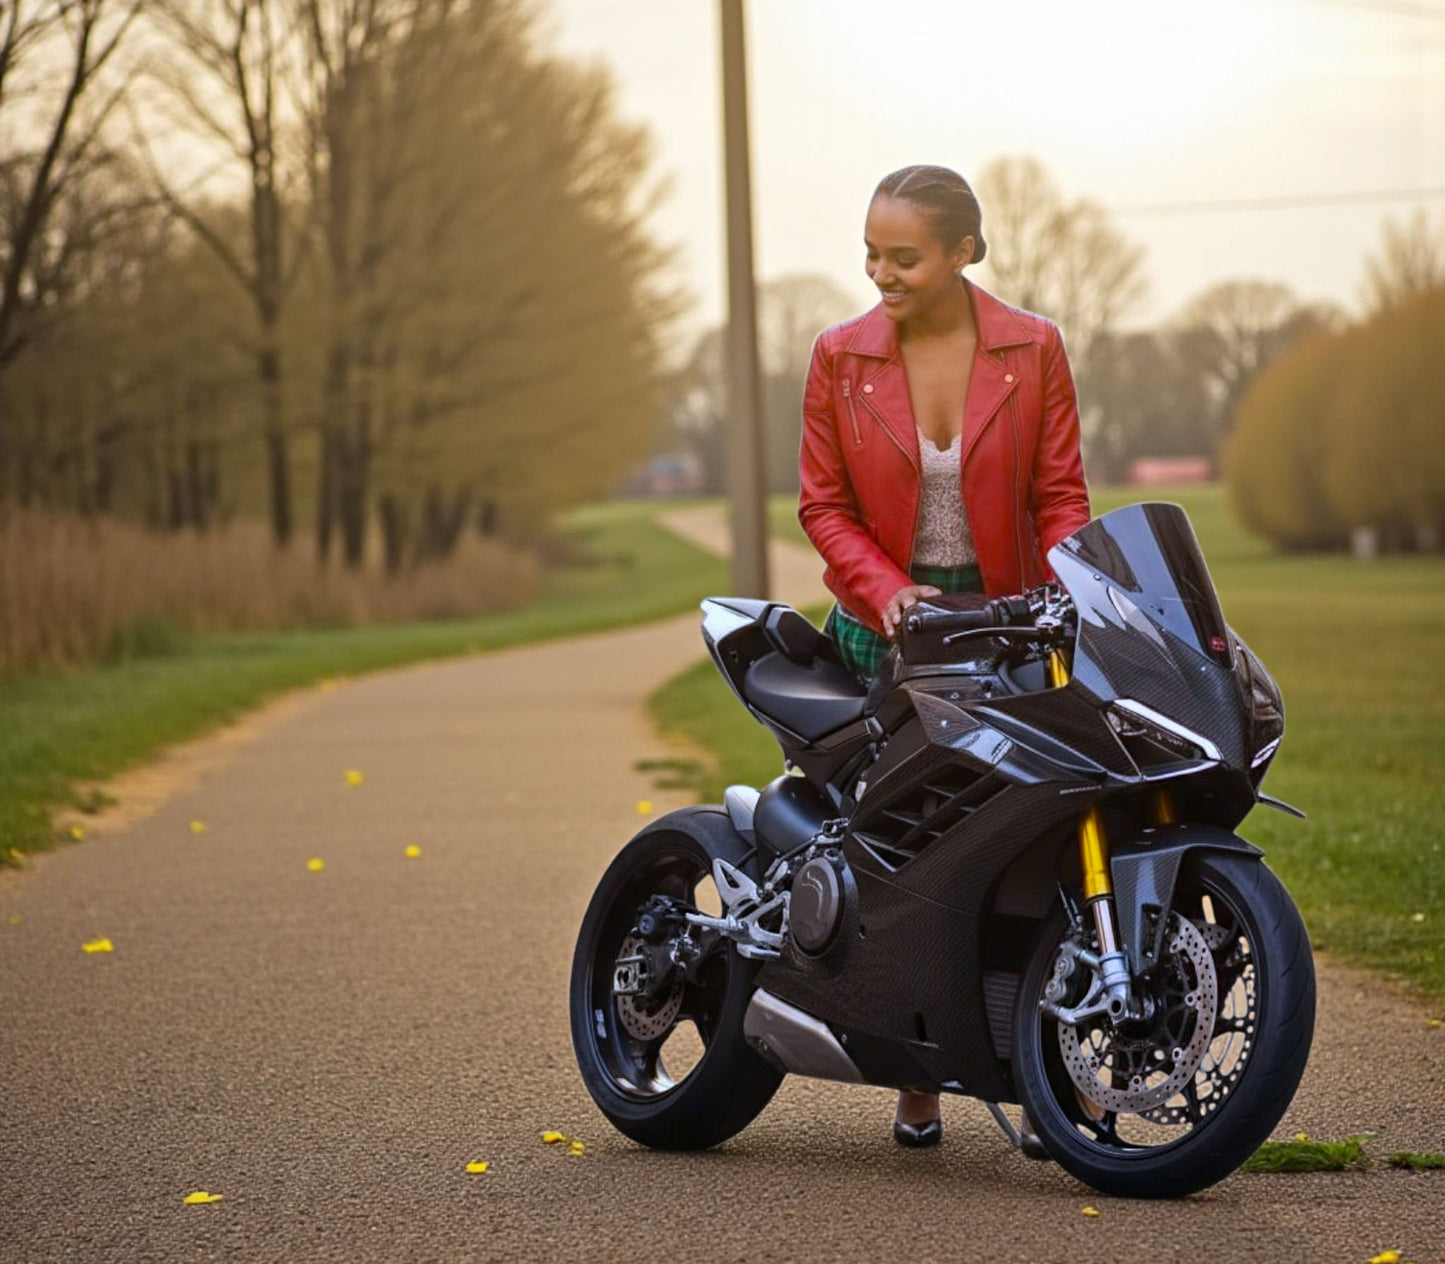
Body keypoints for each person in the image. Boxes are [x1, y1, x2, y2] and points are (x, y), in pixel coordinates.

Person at [796, 164, 1091, 1150]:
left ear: (964, 250)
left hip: (1005, 635)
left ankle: (1054, 1081)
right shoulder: (838, 357)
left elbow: (1059, 496)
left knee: (1030, 850)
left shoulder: (1032, 347)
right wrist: (889, 597)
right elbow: (823, 507)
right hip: (878, 637)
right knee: (896, 857)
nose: (880, 272)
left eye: (903, 256)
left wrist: (1071, 590)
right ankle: (914, 1078)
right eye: (870, 252)